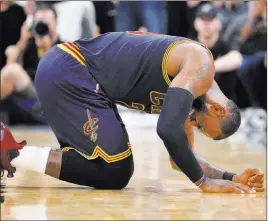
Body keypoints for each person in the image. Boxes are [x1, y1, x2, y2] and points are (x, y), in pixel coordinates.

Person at [0, 31, 264, 193]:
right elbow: (167, 129)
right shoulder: (200, 66)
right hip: (70, 68)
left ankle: (12, 153)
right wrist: (204, 183)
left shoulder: (188, 94)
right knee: (116, 169)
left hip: (79, 79)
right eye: (201, 125)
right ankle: (11, 151)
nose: (193, 124)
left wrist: (231, 178)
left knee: (115, 172)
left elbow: (181, 158)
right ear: (217, 109)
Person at [1, 4, 62, 124]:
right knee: (11, 69)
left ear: (56, 22)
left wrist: (48, 49)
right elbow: (9, 68)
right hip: (27, 97)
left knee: (12, 70)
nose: (43, 26)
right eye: (40, 22)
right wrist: (22, 40)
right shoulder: (30, 44)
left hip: (48, 99)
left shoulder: (63, 47)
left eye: (47, 22)